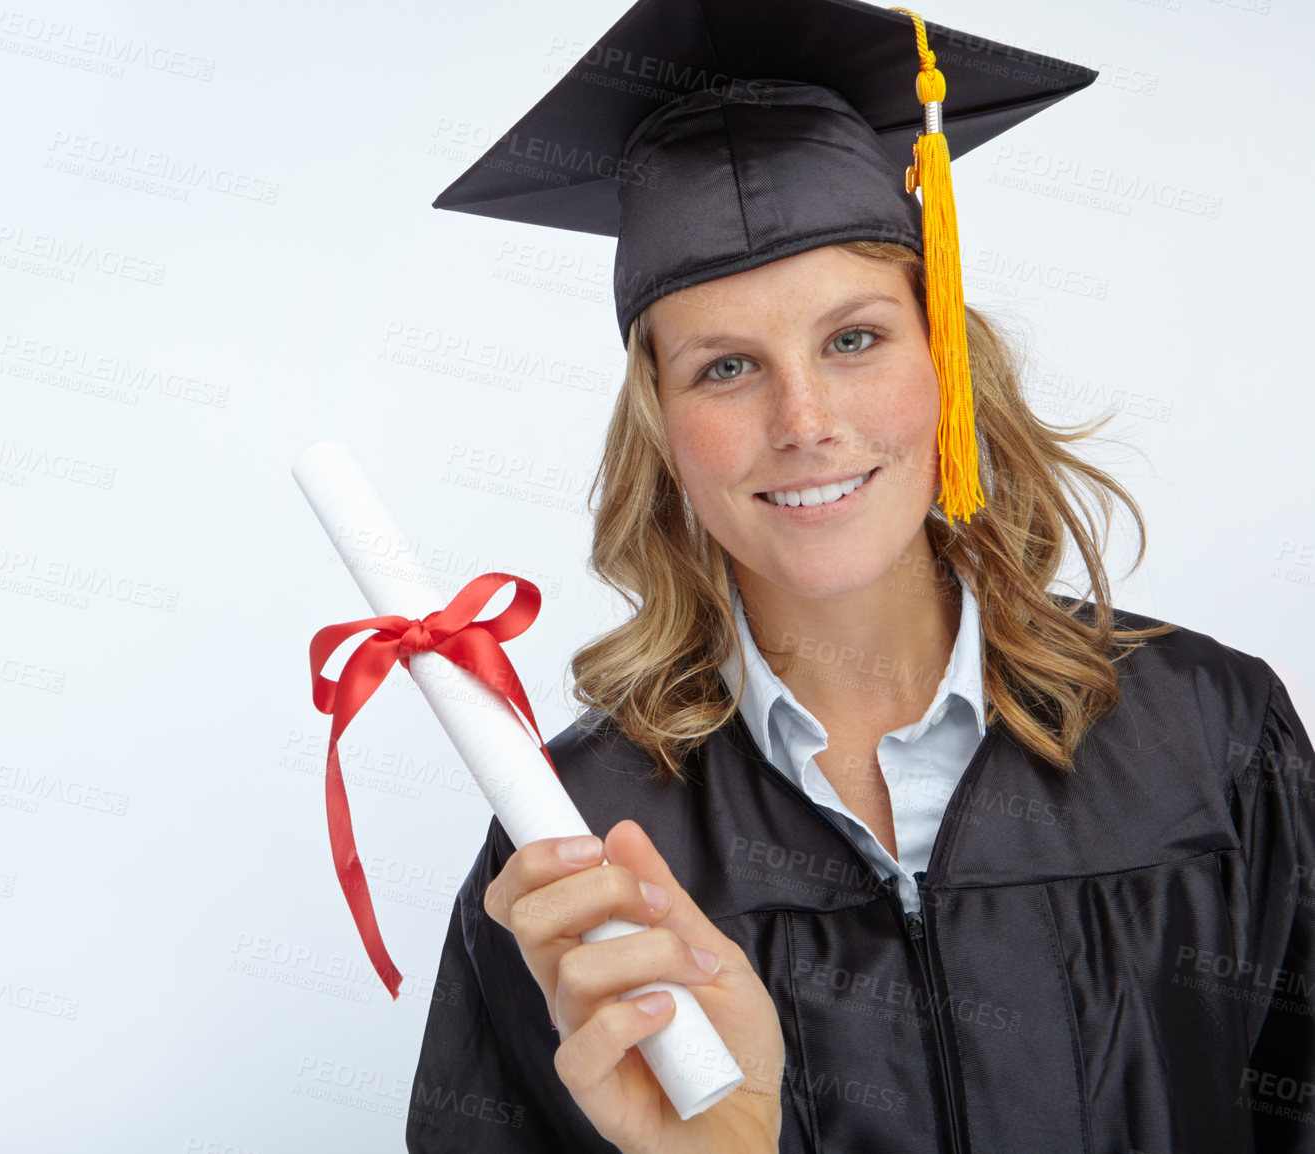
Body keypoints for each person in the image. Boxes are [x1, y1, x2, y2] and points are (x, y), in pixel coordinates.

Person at [402, 2, 1315, 1152]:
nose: (805, 422)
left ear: (942, 354)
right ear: (660, 427)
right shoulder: (583, 851)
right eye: (726, 366)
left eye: (853, 339)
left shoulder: (1207, 737)